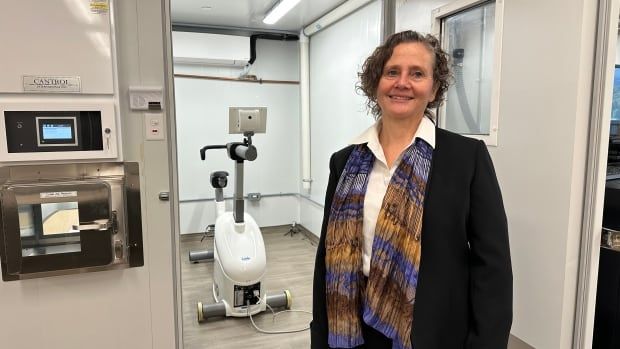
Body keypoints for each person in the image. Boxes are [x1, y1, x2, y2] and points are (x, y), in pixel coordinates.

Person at [310, 30, 512, 349]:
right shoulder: (344, 162)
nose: (402, 83)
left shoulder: (466, 159)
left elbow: (493, 267)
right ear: (376, 84)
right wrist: (320, 336)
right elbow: (326, 258)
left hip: (433, 335)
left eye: (417, 74)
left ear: (434, 89)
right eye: (392, 72)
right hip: (353, 332)